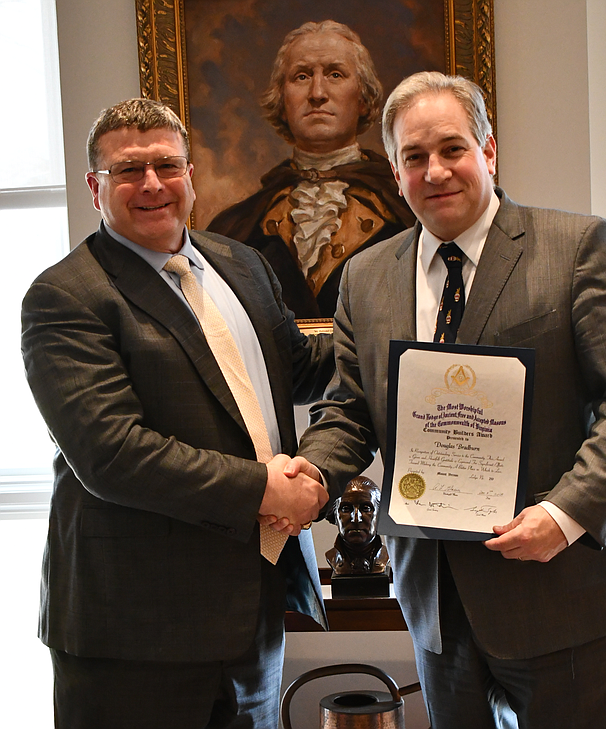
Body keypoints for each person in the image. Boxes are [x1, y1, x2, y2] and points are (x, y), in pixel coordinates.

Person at [295, 72, 606, 728]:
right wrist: (313, 472)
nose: (435, 170)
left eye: (452, 149)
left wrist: (565, 512)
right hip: (439, 606)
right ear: (395, 169)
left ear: (488, 152)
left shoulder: (576, 250)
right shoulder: (366, 276)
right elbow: (351, 408)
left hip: (565, 595)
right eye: (414, 156)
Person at [21, 98, 334, 729]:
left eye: (167, 165)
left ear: (191, 173)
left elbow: (298, 369)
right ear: (94, 186)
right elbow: (112, 453)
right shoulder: (65, 296)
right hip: (134, 631)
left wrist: (393, 326)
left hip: (249, 610)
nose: (152, 185)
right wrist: (263, 488)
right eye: (128, 171)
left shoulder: (241, 263)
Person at [207, 20, 415, 319]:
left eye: (335, 74)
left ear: (363, 96)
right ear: (282, 98)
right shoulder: (233, 228)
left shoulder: (407, 213)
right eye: (302, 76)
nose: (317, 93)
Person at [325, 476, 389, 575]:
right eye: (346, 509)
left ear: (379, 515)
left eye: (366, 508)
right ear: (334, 514)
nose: (356, 519)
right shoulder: (332, 557)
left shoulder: (388, 555)